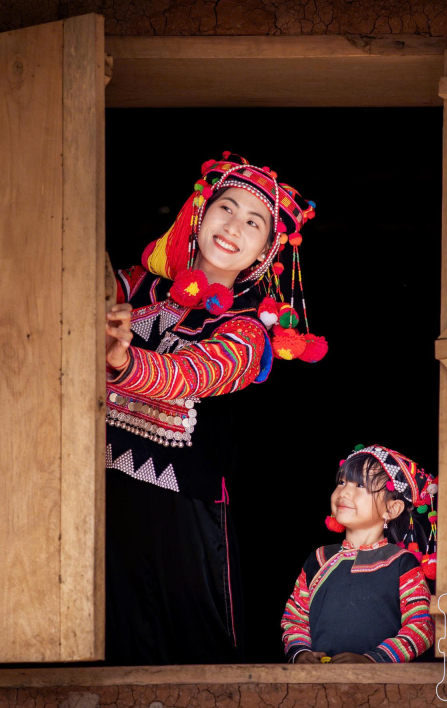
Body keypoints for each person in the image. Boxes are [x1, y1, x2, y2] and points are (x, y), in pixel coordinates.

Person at [102, 153, 325, 665]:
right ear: (201, 212)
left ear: (266, 251)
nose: (233, 227)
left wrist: (121, 359)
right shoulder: (137, 286)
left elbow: (192, 374)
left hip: (180, 509)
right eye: (227, 207)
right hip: (101, 488)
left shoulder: (248, 330)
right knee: (108, 631)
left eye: (254, 222)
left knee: (191, 644)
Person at [281, 445, 437, 664]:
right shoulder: (318, 559)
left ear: (391, 509)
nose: (344, 492)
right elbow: (294, 619)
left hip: (383, 683)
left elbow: (422, 626)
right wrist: (300, 652)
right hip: (317, 680)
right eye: (341, 482)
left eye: (360, 485)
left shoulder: (402, 563)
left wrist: (372, 661)